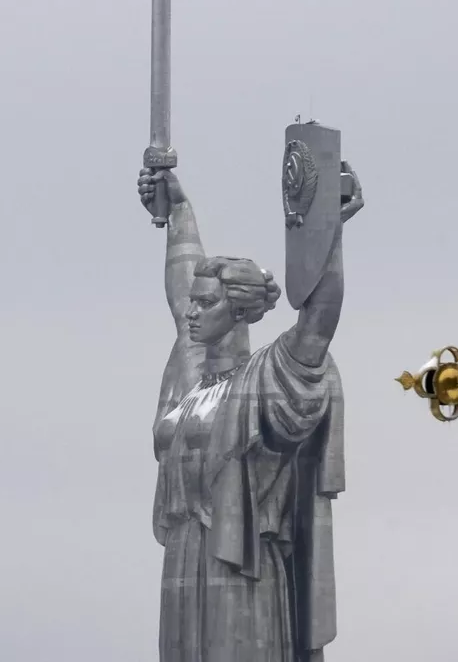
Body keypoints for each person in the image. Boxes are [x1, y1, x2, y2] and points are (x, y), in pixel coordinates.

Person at [136, 160, 362, 662]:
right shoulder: (190, 375)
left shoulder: (265, 379)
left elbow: (319, 323)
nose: (193, 312)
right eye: (194, 304)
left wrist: (328, 233)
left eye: (206, 304)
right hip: (185, 557)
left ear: (238, 310)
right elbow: (180, 286)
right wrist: (177, 207)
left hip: (243, 566)